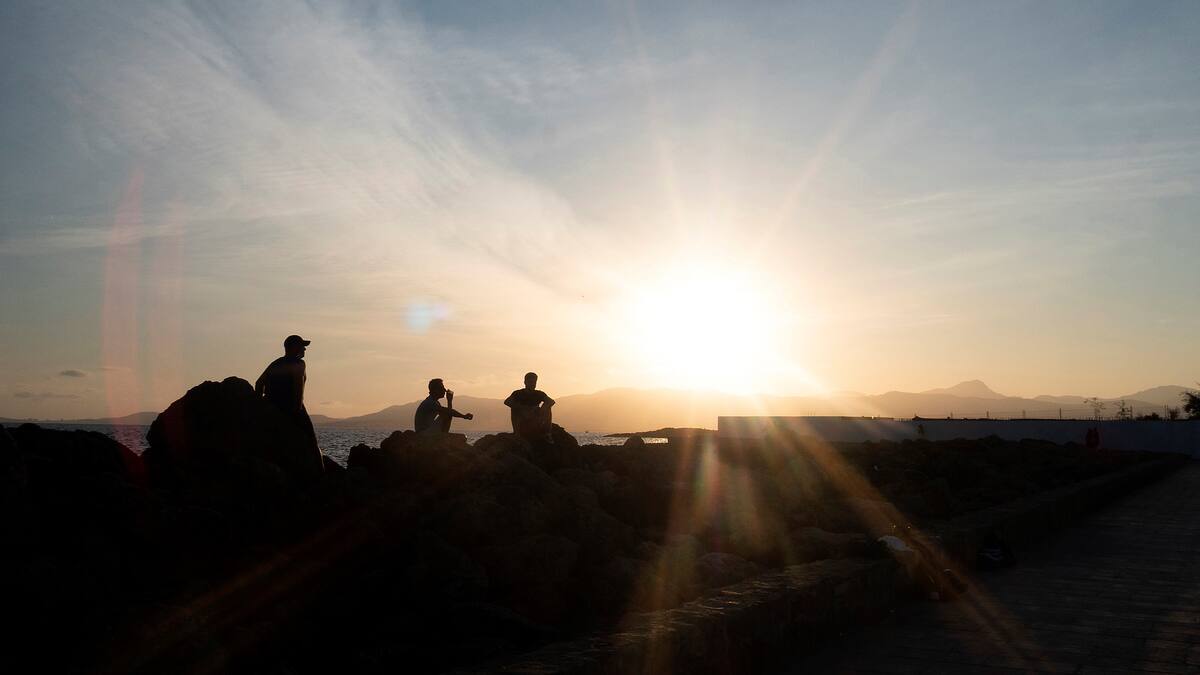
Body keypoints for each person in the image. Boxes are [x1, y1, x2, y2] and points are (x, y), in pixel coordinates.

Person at [255, 334, 322, 468]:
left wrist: (261, 404)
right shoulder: (299, 363)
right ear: (294, 347)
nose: (304, 349)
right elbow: (298, 387)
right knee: (312, 442)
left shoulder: (275, 364)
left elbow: (259, 383)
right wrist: (297, 411)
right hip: (291, 406)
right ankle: (321, 472)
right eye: (302, 346)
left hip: (272, 405)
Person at [504, 372, 555, 442]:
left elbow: (551, 401)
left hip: (535, 419)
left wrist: (541, 409)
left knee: (548, 407)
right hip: (522, 419)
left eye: (534, 382)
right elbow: (507, 402)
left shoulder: (539, 394)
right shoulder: (518, 393)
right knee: (514, 408)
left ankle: (547, 433)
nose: (532, 384)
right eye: (530, 382)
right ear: (525, 382)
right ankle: (517, 434)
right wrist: (524, 408)